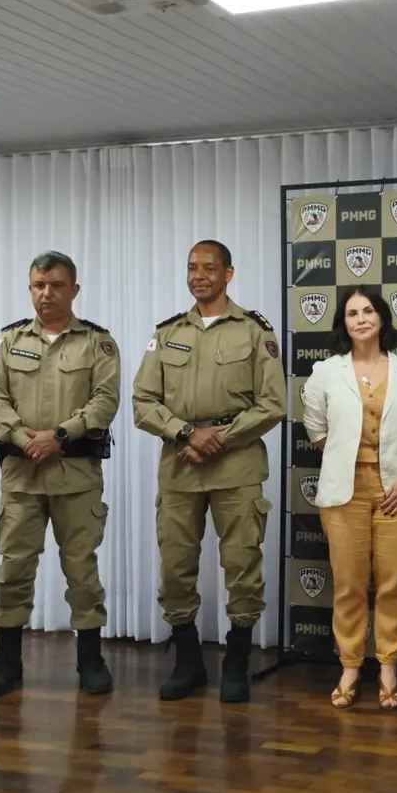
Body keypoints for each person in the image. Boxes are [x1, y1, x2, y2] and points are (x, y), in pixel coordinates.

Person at [132, 240, 287, 704]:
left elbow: (273, 403)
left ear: (228, 274)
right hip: (180, 465)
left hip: (236, 466)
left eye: (209, 268)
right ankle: (188, 663)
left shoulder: (255, 331)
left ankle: (236, 663)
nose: (198, 276)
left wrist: (219, 439)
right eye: (192, 268)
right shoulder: (167, 333)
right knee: (176, 567)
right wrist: (186, 434)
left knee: (242, 565)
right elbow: (143, 402)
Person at [0, 251, 119, 700]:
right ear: (30, 288)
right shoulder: (9, 341)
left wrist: (59, 436)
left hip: (75, 477)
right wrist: (24, 439)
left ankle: (91, 661)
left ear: (74, 290)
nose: (47, 294)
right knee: (13, 569)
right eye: (39, 285)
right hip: (22, 477)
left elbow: (105, 401)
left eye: (56, 285)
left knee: (82, 571)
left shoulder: (97, 343)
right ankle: (7, 663)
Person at [301, 288, 397, 710]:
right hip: (344, 495)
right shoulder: (326, 372)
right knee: (348, 586)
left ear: (382, 318)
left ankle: (388, 667)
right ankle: (349, 667)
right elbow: (316, 429)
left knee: (393, 585)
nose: (360, 319)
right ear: (343, 323)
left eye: (368, 311)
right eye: (352, 313)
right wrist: (345, 459)